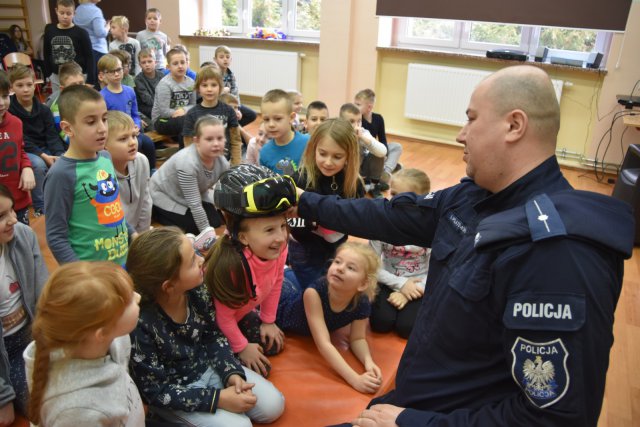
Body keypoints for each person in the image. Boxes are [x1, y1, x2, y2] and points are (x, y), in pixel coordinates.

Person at [294, 65, 635, 427]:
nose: (460, 135)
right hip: (413, 401)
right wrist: (303, 201)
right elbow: (389, 216)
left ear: (514, 126)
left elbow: (553, 419)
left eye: (471, 119)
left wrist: (412, 424)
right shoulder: (474, 195)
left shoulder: (557, 254)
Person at [127, 227, 285, 426]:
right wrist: (218, 399)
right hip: (178, 392)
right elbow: (156, 391)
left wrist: (231, 373)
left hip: (210, 367)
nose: (201, 259)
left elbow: (213, 335)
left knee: (273, 405)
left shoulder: (197, 291)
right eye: (193, 261)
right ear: (169, 286)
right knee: (240, 425)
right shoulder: (140, 325)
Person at [24, 261, 144, 426]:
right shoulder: (77, 414)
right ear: (101, 333)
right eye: (129, 300)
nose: (138, 296)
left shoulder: (114, 337)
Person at [205, 164, 297, 377]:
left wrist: (268, 320)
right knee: (261, 369)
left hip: (243, 311)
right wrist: (241, 347)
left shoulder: (277, 247)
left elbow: (276, 281)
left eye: (282, 226)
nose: (281, 237)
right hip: (216, 324)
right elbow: (223, 316)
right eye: (269, 230)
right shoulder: (232, 267)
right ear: (243, 237)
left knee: (273, 345)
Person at [44, 84, 133, 266]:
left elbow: (114, 208)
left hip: (121, 262)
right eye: (91, 122)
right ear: (68, 129)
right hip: (91, 274)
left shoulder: (106, 158)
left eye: (104, 119)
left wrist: (132, 233)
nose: (102, 128)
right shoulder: (60, 174)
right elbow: (56, 236)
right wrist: (82, 276)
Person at [276, 242, 382, 393]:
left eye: (350, 268)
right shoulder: (314, 293)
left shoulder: (361, 301)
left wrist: (368, 362)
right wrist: (355, 379)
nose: (340, 268)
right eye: (337, 262)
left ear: (363, 284)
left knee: (294, 283)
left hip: (297, 294)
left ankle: (286, 270)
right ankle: (282, 267)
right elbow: (324, 343)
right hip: (282, 307)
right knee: (279, 282)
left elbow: (357, 339)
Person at [288, 118, 364, 289]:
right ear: (313, 149)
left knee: (329, 287)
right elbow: (289, 219)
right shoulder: (300, 178)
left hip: (336, 250)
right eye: (323, 154)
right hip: (304, 249)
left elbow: (356, 217)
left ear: (349, 156)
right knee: (311, 290)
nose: (328, 162)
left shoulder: (353, 183)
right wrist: (310, 222)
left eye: (337, 157)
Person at [0, 183, 48, 425]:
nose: (13, 220)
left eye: (12, 210)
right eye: (1, 216)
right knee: (6, 417)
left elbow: (44, 293)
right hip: (2, 352)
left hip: (26, 337)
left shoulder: (23, 234)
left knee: (51, 400)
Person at [369, 168, 431, 339]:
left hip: (419, 285)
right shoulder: (380, 224)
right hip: (388, 280)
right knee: (380, 324)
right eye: (393, 193)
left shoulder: (431, 228)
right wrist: (401, 284)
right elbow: (372, 265)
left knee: (407, 328)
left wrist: (409, 291)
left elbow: (437, 270)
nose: (396, 201)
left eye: (406, 198)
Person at [150, 115, 227, 248]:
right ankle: (158, 213)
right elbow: (194, 203)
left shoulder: (222, 162)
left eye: (219, 138)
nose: (216, 144)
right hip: (164, 195)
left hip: (188, 195)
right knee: (195, 226)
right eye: (209, 139)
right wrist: (208, 235)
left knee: (216, 221)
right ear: (197, 141)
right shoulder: (187, 163)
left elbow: (225, 194)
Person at [8, 64, 65, 216]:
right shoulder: (10, 111)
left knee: (64, 159)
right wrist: (43, 156)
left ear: (35, 85)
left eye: (29, 84)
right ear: (12, 88)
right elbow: (22, 139)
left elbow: (52, 135)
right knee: (39, 166)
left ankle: (62, 199)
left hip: (44, 147)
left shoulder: (44, 109)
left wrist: (59, 154)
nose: (25, 89)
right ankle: (41, 206)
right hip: (26, 151)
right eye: (20, 85)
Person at [98, 53, 156, 171]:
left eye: (119, 69)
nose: (116, 73)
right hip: (115, 135)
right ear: (103, 75)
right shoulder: (102, 96)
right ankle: (128, 171)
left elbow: (135, 114)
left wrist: (136, 126)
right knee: (134, 146)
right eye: (111, 71)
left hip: (132, 131)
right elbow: (103, 121)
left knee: (148, 143)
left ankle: (151, 170)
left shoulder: (129, 91)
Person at [182, 66, 241, 165]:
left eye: (213, 85)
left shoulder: (229, 111)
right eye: (204, 85)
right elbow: (188, 145)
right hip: (201, 164)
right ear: (198, 88)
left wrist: (236, 165)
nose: (209, 89)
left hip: (225, 163)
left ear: (220, 88)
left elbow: (236, 141)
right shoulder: (192, 114)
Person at [105, 111, 152, 234]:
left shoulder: (141, 161)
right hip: (113, 238)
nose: (132, 142)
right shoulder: (102, 173)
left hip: (136, 234)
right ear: (104, 145)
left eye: (134, 136)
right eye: (123, 139)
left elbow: (145, 202)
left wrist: (142, 237)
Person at [0, 71, 34, 225]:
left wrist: (27, 167)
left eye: (5, 96)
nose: (1, 103)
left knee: (22, 241)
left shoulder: (16, 123)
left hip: (18, 199)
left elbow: (19, 150)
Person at [354, 89, 403, 192]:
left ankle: (386, 172)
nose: (355, 107)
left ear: (369, 107)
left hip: (377, 149)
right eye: (355, 104)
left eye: (358, 104)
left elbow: (382, 139)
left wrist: (384, 152)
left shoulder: (378, 118)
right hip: (367, 152)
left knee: (397, 146)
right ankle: (376, 175)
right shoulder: (358, 120)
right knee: (376, 153)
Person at [43, 0, 95, 90]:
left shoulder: (82, 33)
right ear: (56, 11)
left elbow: (89, 57)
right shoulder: (49, 32)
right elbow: (46, 54)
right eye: (62, 13)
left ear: (74, 13)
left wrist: (90, 80)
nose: (65, 16)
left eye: (68, 13)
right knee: (59, 101)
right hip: (56, 77)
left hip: (77, 77)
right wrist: (49, 74)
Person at [339, 103, 387, 198]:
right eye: (351, 121)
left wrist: (366, 140)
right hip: (344, 171)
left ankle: (374, 186)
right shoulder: (338, 134)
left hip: (361, 169)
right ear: (341, 122)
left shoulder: (364, 133)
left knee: (377, 152)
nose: (356, 125)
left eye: (359, 121)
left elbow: (383, 152)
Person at [151, 47, 196, 147]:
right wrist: (181, 114)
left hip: (182, 116)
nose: (180, 66)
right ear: (168, 67)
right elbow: (164, 111)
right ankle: (183, 155)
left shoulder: (191, 82)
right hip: (162, 120)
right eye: (175, 64)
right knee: (186, 122)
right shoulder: (165, 84)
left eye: (183, 62)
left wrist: (184, 110)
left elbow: (193, 105)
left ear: (187, 64)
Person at [259, 89, 310, 175]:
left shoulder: (308, 142)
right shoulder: (265, 152)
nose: (271, 124)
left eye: (278, 119)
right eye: (266, 119)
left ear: (291, 118)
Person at [214, 45, 257, 132]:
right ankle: (230, 131)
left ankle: (234, 130)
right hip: (219, 105)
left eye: (228, 57)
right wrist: (222, 90)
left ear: (231, 60)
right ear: (215, 60)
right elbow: (213, 93)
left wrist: (237, 108)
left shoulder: (231, 74)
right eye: (221, 57)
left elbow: (235, 92)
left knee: (252, 114)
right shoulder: (214, 74)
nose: (225, 59)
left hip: (232, 104)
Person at [46, 61, 85, 149]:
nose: (79, 89)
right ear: (62, 89)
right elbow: (58, 135)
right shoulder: (53, 105)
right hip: (66, 147)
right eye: (73, 85)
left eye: (81, 83)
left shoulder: (90, 99)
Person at [73, 0, 108, 86]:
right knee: (99, 82)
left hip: (82, 50)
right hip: (97, 50)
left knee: (85, 81)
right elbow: (100, 33)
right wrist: (107, 27)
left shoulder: (77, 10)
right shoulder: (96, 11)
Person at [133, 48, 162, 131]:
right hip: (146, 110)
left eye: (149, 61)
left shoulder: (162, 76)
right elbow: (147, 100)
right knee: (155, 127)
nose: (147, 64)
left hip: (160, 107)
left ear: (155, 62)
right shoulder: (138, 79)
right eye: (143, 62)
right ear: (140, 64)